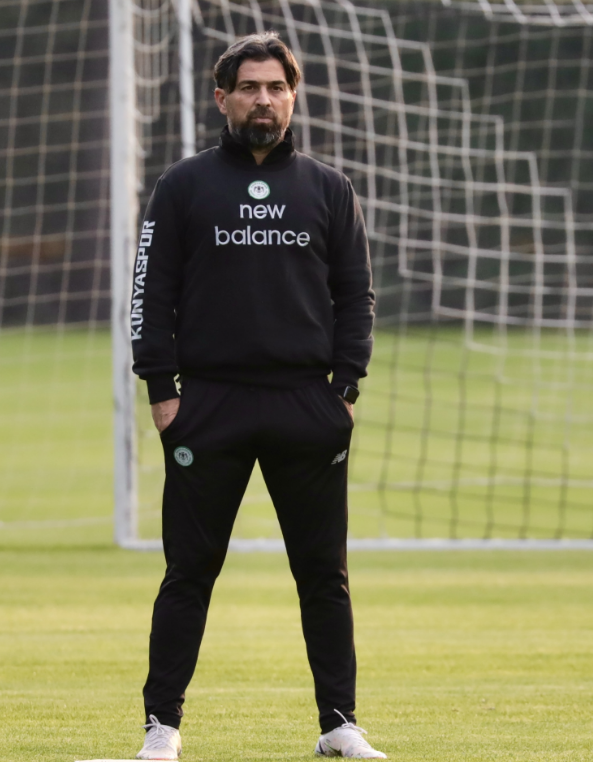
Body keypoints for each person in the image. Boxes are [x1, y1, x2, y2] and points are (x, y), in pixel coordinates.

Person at [130, 31, 383, 760]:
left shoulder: (329, 189)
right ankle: (162, 727)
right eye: (249, 88)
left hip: (306, 404)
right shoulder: (183, 186)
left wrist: (344, 388)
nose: (263, 99)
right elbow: (150, 293)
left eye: (276, 87)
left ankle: (339, 724)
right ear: (223, 98)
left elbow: (356, 297)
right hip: (208, 405)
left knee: (324, 574)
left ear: (293, 96)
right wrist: (162, 390)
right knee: (188, 572)